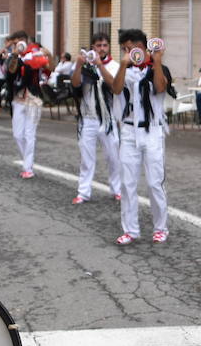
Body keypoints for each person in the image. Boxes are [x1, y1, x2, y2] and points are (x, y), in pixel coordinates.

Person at [112, 29, 172, 244]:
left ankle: (160, 228)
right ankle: (130, 230)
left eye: (132, 49)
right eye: (125, 49)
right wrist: (122, 64)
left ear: (143, 47)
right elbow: (116, 89)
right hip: (128, 131)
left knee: (156, 183)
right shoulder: (125, 71)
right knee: (128, 183)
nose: (129, 53)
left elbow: (160, 87)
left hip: (153, 130)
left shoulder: (158, 68)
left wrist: (156, 60)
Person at [71, 36, 123, 205]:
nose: (102, 48)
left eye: (105, 45)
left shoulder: (114, 66)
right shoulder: (84, 65)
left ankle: (117, 189)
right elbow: (76, 84)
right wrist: (79, 65)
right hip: (88, 118)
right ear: (93, 46)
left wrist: (100, 66)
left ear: (109, 47)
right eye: (98, 45)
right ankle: (83, 192)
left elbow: (114, 86)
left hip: (108, 119)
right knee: (87, 158)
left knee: (114, 156)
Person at [5, 32, 49, 179]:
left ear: (26, 41)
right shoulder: (14, 57)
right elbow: (10, 72)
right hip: (18, 99)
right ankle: (27, 161)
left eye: (21, 42)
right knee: (17, 134)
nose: (18, 45)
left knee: (29, 134)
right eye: (15, 43)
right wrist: (15, 55)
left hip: (33, 98)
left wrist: (36, 54)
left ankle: (28, 167)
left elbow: (45, 65)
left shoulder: (35, 54)